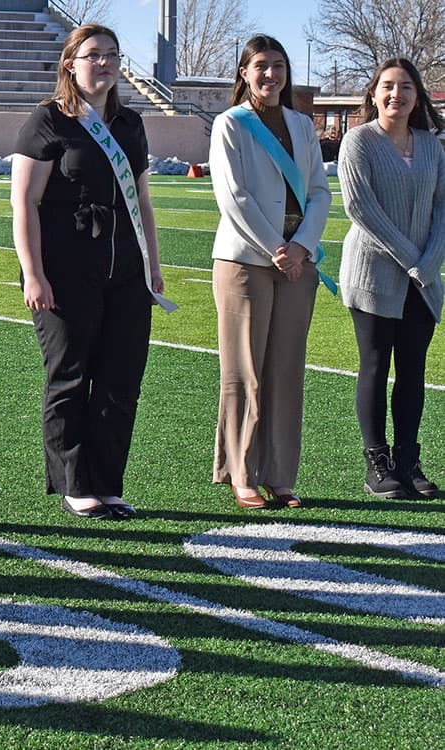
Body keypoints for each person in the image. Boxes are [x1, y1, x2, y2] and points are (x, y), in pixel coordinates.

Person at [10, 24, 168, 521]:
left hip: (125, 271)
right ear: (70, 64)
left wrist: (154, 266)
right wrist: (32, 274)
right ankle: (75, 483)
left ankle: (108, 481)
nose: (103, 63)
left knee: (121, 380)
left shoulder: (129, 123)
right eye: (92, 55)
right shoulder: (47, 121)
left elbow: (141, 199)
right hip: (65, 270)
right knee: (71, 377)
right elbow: (24, 203)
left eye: (111, 56)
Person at [208, 35, 330, 509]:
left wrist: (300, 247)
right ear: (244, 72)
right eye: (261, 65)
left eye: (278, 65)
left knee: (285, 370)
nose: (270, 74)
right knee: (244, 372)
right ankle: (241, 472)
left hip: (296, 262)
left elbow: (319, 191)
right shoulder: (230, 124)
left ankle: (280, 476)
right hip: (245, 260)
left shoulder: (302, 124)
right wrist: (277, 247)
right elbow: (233, 197)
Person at [337, 58, 444, 499]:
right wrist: (412, 260)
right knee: (376, 366)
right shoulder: (358, 142)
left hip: (423, 279)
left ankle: (408, 460)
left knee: (413, 371)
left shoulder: (432, 146)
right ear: (373, 94)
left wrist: (430, 261)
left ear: (417, 97)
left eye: (405, 88)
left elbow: (442, 207)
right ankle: (376, 462)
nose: (395, 95)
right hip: (373, 274)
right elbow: (361, 210)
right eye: (387, 87)